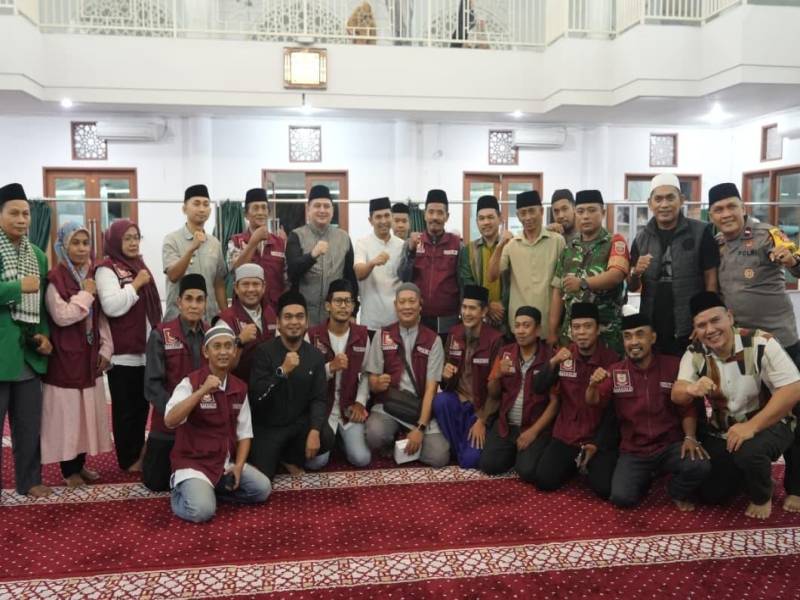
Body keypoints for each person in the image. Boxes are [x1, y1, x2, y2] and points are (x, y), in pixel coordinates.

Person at [707, 183, 800, 510]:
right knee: (750, 408)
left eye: (731, 206)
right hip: (743, 347)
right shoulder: (716, 244)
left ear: (742, 207)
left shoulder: (767, 234)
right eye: (718, 209)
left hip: (782, 341)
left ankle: (796, 487)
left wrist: (792, 260)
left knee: (794, 412)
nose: (726, 214)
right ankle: (755, 475)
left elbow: (795, 259)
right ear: (711, 215)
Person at [672, 291, 800, 519]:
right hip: (723, 431)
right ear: (695, 330)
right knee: (711, 493)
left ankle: (762, 495)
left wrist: (751, 427)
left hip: (769, 424)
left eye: (715, 320)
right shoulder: (694, 352)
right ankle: (751, 475)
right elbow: (677, 394)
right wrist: (691, 389)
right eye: (701, 325)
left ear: (730, 317)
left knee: (749, 453)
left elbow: (793, 389)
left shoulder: (761, 342)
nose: (710, 330)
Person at [587, 313, 710, 510]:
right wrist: (593, 385)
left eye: (640, 334)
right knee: (621, 498)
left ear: (652, 338)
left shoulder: (673, 365)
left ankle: (676, 491)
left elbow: (687, 406)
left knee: (699, 466)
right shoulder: (616, 371)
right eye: (627, 336)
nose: (633, 342)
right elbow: (594, 401)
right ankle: (646, 476)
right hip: (634, 451)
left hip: (669, 446)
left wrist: (690, 437)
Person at [165, 322, 271, 523]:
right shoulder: (190, 382)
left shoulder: (239, 388)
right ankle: (182, 495)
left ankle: (210, 493)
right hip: (194, 464)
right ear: (206, 352)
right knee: (202, 512)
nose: (223, 352)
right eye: (217, 346)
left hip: (223, 463)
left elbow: (245, 434)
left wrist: (238, 466)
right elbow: (170, 420)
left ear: (234, 351)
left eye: (228, 346)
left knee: (262, 489)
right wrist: (202, 391)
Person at [40, 222, 113, 487]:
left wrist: (106, 348)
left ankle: (80, 465)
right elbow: (61, 316)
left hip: (88, 357)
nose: (82, 248)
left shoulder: (91, 275)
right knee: (69, 416)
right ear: (63, 246)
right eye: (75, 243)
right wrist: (86, 294)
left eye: (85, 243)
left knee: (86, 416)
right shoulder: (55, 279)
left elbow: (100, 318)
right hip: (65, 359)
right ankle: (68, 470)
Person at [533, 303, 620, 498]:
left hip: (596, 438)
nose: (581, 332)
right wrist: (553, 362)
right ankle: (575, 464)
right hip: (566, 435)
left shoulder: (612, 360)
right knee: (544, 480)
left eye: (587, 326)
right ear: (571, 331)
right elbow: (538, 387)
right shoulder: (564, 355)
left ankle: (587, 462)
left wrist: (598, 443)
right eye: (576, 327)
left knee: (604, 489)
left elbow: (614, 411)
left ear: (597, 329)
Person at [96, 218, 162, 473]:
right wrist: (135, 285)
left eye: (136, 237)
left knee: (141, 407)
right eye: (127, 238)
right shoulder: (106, 269)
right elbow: (111, 306)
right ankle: (128, 459)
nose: (133, 242)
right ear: (115, 240)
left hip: (144, 351)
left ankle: (137, 452)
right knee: (125, 410)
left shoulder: (138, 265)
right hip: (123, 354)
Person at [0, 183, 53, 498]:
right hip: (1, 352)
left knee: (29, 425)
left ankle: (30, 480)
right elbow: (25, 289)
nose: (22, 219)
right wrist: (18, 287)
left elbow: (42, 304)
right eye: (14, 213)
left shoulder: (37, 255)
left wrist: (44, 335)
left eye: (26, 213)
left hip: (28, 354)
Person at [628, 174, 719, 356]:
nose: (664, 204)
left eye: (670, 198)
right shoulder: (641, 238)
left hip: (690, 324)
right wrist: (636, 273)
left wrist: (706, 319)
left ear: (681, 200)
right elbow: (632, 286)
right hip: (653, 326)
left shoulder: (701, 232)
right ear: (650, 203)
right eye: (658, 199)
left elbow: (711, 279)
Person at [248, 290, 334, 478]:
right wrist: (282, 372)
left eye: (299, 317)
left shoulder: (315, 356)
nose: (294, 322)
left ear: (307, 322)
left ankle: (289, 457)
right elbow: (257, 397)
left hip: (297, 425)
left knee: (326, 436)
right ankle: (278, 456)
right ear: (278, 322)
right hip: (269, 426)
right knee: (263, 479)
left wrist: (314, 431)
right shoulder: (264, 352)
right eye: (288, 317)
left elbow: (319, 398)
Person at [364, 283, 450, 467]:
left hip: (419, 407)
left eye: (412, 301)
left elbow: (431, 390)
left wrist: (420, 428)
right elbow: (372, 380)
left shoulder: (433, 340)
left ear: (420, 305)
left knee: (439, 457)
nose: (407, 306)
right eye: (402, 302)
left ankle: (407, 439)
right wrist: (376, 384)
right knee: (373, 436)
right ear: (395, 305)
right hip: (390, 405)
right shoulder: (382, 335)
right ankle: (398, 437)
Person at [142, 274, 208, 491]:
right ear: (179, 302)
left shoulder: (212, 335)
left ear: (205, 303)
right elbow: (152, 386)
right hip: (168, 424)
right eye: (189, 299)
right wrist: (178, 413)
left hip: (202, 425)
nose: (194, 305)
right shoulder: (161, 335)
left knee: (213, 478)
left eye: (199, 300)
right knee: (156, 483)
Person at [479, 306, 557, 482]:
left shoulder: (550, 357)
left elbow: (555, 402)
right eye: (517, 325)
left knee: (527, 471)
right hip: (506, 425)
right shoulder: (505, 352)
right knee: (489, 465)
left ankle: (526, 453)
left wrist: (534, 432)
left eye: (526, 326)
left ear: (538, 330)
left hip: (533, 426)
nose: (520, 331)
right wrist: (498, 375)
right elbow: (493, 393)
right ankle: (515, 452)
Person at [550, 190, 629, 354]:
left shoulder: (615, 242)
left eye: (592, 210)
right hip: (571, 336)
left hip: (606, 335)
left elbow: (616, 275)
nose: (585, 216)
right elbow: (558, 290)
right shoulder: (569, 247)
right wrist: (552, 330)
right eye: (580, 211)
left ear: (603, 212)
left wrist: (583, 283)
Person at [432, 285, 503, 468]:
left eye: (472, 308)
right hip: (457, 403)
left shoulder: (495, 340)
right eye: (464, 307)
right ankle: (462, 448)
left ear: (484, 311)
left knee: (471, 461)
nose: (467, 313)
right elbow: (446, 379)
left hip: (479, 408)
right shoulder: (454, 333)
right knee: (440, 400)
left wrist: (482, 420)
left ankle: (460, 449)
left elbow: (498, 390)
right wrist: (445, 375)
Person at [306, 280, 372, 468]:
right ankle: (332, 438)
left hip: (348, 407)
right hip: (322, 410)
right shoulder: (312, 335)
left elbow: (366, 373)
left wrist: (360, 402)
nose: (343, 306)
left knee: (361, 459)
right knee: (315, 463)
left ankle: (341, 441)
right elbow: (306, 377)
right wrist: (329, 368)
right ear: (328, 306)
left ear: (353, 306)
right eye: (338, 301)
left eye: (348, 301)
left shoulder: (362, 335)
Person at [488, 190, 565, 339]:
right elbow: (492, 276)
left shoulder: (557, 241)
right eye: (523, 213)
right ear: (518, 216)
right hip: (519, 327)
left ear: (541, 211)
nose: (528, 217)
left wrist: (554, 329)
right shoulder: (511, 245)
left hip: (549, 326)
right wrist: (500, 245)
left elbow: (561, 285)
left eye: (532, 211)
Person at [286, 185, 357, 326]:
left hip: (335, 317)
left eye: (327, 206)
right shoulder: (297, 235)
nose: (322, 210)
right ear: (308, 209)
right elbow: (292, 272)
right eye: (317, 206)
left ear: (332, 210)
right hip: (303, 316)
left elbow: (350, 278)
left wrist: (353, 313)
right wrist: (312, 255)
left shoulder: (343, 238)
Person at [399, 189, 462, 341]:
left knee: (447, 355)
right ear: (425, 214)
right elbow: (403, 277)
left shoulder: (457, 244)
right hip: (419, 318)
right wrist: (411, 252)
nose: (435, 217)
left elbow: (462, 282)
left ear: (447, 216)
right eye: (431, 212)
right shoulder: (412, 243)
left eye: (440, 213)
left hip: (449, 319)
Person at [162, 184, 228, 322]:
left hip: (209, 320)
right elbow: (173, 275)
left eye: (206, 204)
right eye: (196, 204)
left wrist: (227, 315)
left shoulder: (214, 243)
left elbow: (219, 283)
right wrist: (191, 249)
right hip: (178, 320)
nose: (202, 209)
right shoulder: (172, 240)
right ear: (184, 209)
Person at [227, 187, 287, 312]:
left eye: (264, 208)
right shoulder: (235, 241)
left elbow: (286, 279)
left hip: (274, 309)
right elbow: (235, 269)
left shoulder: (280, 243)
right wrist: (253, 242)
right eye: (255, 208)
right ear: (246, 214)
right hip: (243, 310)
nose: (260, 212)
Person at [216, 263, 277, 383]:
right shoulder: (225, 320)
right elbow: (220, 367)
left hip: (268, 386)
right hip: (238, 389)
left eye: (256, 284)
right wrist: (239, 341)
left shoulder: (271, 314)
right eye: (245, 284)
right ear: (236, 288)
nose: (251, 289)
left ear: (264, 287)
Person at [353, 197, 404, 337]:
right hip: (371, 321)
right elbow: (359, 273)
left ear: (392, 217)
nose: (383, 221)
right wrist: (372, 263)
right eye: (378, 217)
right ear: (370, 220)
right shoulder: (362, 243)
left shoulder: (401, 245)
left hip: (397, 321)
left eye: (387, 215)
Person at [459, 195, 508, 331]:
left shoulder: (510, 246)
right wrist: (488, 305)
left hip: (508, 316)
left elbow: (514, 283)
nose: (486, 222)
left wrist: (502, 306)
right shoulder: (468, 250)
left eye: (490, 217)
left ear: (500, 218)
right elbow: (467, 283)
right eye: (481, 218)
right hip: (478, 318)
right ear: (477, 222)